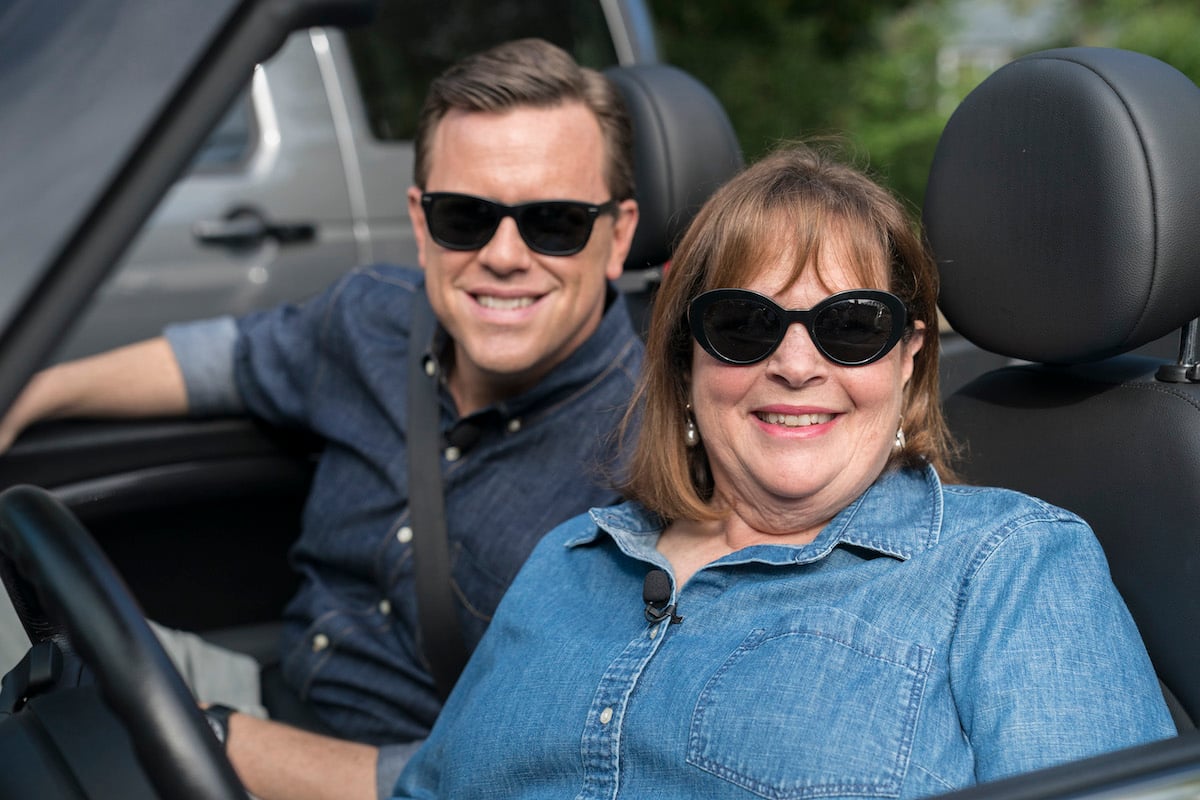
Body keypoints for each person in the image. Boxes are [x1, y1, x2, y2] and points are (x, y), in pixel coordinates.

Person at [388, 143, 1176, 799]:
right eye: (744, 325)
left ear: (909, 359)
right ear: (685, 358)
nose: (796, 365)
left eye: (851, 327)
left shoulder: (1011, 569)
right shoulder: (568, 560)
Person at [0, 39, 642, 800]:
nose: (504, 255)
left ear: (619, 235)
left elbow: (548, 772)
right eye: (465, 216)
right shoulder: (370, 318)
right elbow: (222, 360)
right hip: (264, 686)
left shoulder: (651, 457)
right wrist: (29, 392)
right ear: (419, 218)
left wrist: (222, 742)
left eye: (556, 222)